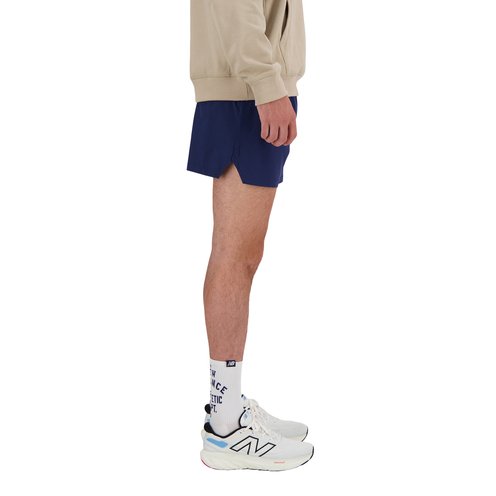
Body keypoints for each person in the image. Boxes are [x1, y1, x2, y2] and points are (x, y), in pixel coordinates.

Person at [186, 0, 313, 471]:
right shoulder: (255, 86)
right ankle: (225, 430)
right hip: (246, 94)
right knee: (235, 257)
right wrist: (266, 83)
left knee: (242, 255)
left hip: (251, 89)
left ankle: (230, 406)